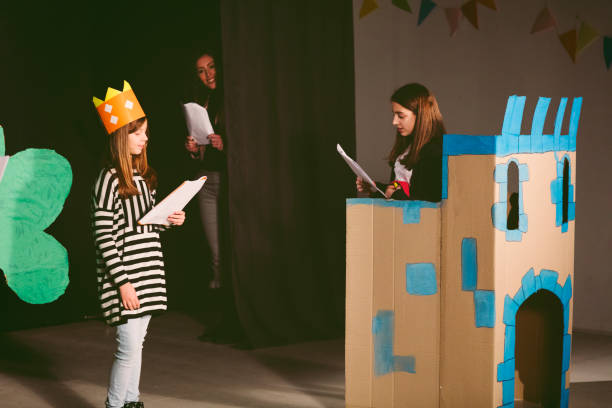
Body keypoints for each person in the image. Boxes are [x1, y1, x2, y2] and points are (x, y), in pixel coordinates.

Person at [91, 81, 185, 408]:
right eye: (138, 132)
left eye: (145, 132)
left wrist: (170, 219)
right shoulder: (110, 179)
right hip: (127, 279)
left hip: (147, 272)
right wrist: (122, 282)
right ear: (121, 136)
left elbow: (146, 225)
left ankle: (132, 401)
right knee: (127, 348)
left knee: (137, 345)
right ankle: (116, 405)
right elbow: (104, 235)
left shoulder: (145, 179)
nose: (145, 138)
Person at [356, 83, 445, 202]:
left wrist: (395, 194)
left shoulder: (435, 153)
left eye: (400, 116)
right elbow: (400, 188)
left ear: (420, 116)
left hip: (416, 220)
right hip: (399, 219)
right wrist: (375, 188)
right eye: (394, 115)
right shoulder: (406, 148)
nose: (394, 122)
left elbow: (429, 202)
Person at [184, 50, 226, 290]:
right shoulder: (202, 103)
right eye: (201, 71)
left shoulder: (231, 97)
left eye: (211, 67)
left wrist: (225, 145)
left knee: (231, 247)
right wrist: (192, 148)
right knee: (216, 253)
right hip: (205, 181)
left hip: (228, 180)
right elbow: (200, 150)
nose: (208, 74)